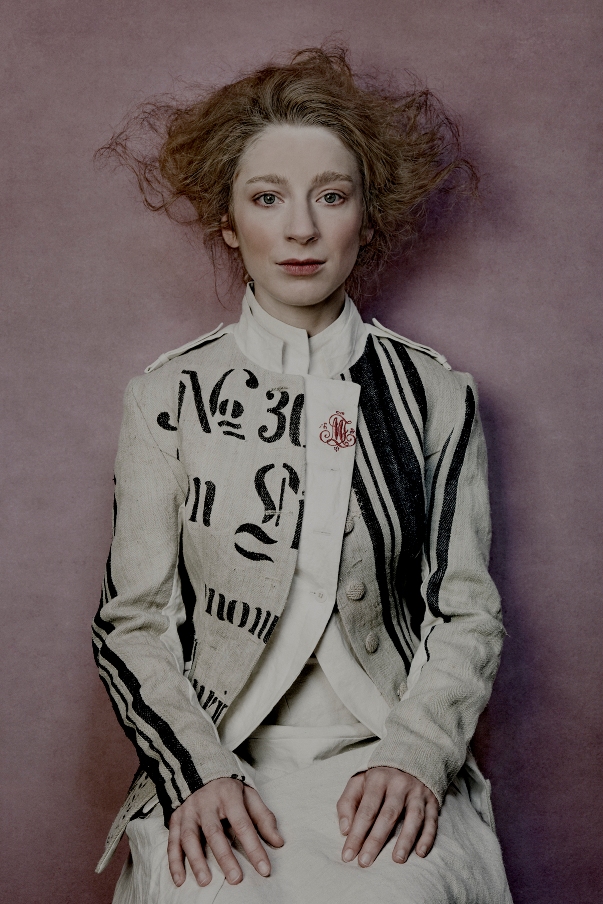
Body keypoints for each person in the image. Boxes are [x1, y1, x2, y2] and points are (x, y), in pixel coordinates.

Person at [92, 47, 513, 903]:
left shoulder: (435, 395)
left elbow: (466, 611)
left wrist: (416, 754)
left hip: (383, 752)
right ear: (227, 222)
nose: (299, 231)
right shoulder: (166, 396)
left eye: (330, 196)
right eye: (266, 198)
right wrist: (197, 772)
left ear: (367, 217)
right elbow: (133, 623)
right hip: (220, 750)